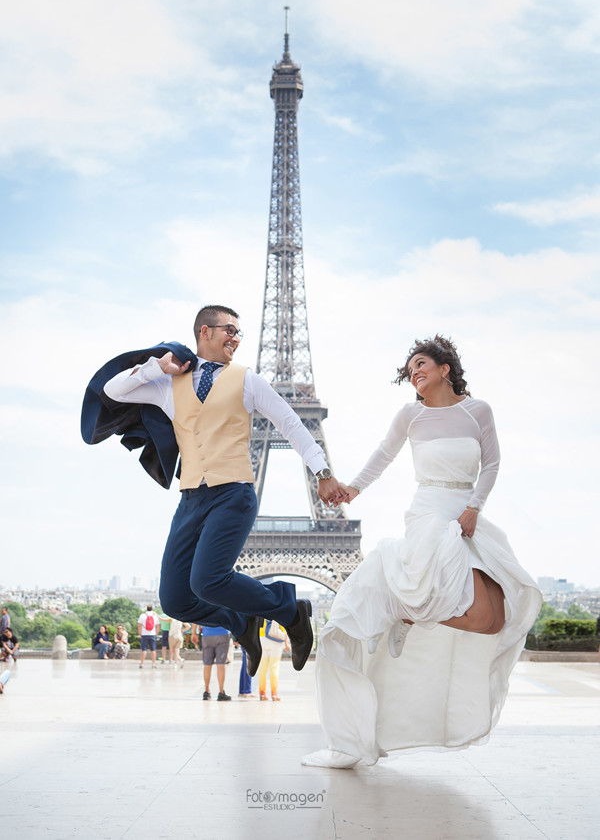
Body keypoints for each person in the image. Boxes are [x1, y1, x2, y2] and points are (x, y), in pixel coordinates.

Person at [302, 335, 542, 769]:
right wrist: (353, 488)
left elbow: (491, 464)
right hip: (431, 512)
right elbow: (382, 455)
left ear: (444, 369)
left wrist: (474, 507)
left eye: (421, 363)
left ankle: (407, 611)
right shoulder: (409, 416)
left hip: (466, 512)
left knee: (492, 619)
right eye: (409, 369)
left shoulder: (478, 411)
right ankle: (404, 605)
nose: (414, 372)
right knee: (448, 592)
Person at [102, 305, 345, 677]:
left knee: (207, 580)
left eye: (238, 333)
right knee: (176, 599)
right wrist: (157, 367)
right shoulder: (169, 383)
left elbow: (292, 424)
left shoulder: (247, 380)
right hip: (191, 497)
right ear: (204, 332)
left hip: (233, 493)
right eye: (228, 330)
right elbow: (112, 390)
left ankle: (289, 609)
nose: (235, 338)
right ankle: (241, 622)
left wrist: (322, 472)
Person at [258, 620, 289, 701]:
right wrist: (286, 643)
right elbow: (284, 625)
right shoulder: (276, 606)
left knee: (262, 668)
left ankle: (262, 693)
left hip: (262, 638)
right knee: (274, 667)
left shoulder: (259, 607)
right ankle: (274, 694)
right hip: (275, 638)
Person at [201, 625, 231, 700]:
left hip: (207, 634)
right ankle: (221, 692)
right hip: (223, 633)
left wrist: (194, 632)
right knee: (220, 665)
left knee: (207, 665)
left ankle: (206, 691)